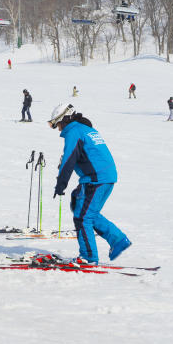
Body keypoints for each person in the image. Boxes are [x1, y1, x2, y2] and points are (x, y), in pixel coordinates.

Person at [49, 104, 131, 263]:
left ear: (65, 119)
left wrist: (60, 184)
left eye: (58, 125)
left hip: (96, 179)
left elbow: (69, 160)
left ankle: (88, 257)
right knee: (82, 209)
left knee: (82, 218)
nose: (58, 129)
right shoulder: (85, 129)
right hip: (104, 177)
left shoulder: (74, 131)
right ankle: (118, 240)